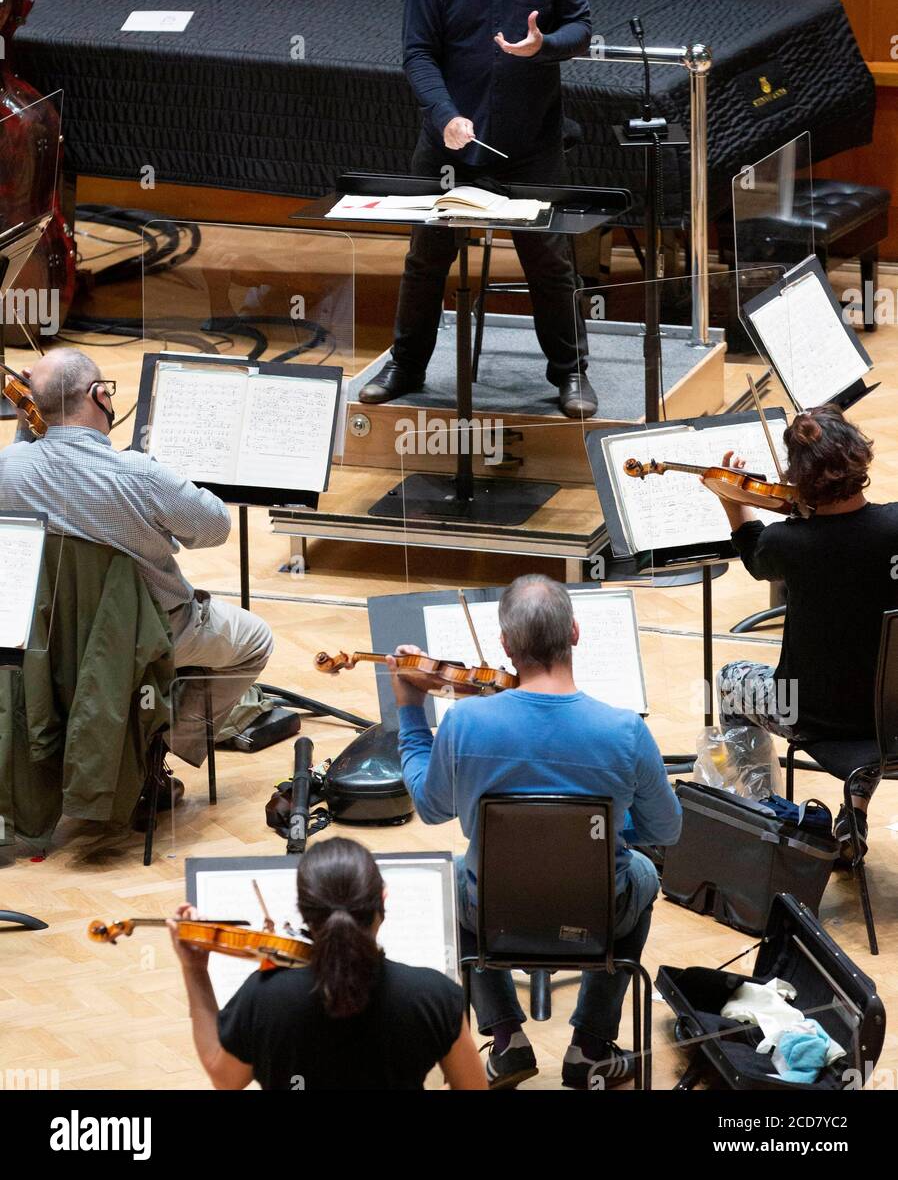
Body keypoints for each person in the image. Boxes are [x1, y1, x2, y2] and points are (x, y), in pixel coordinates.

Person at [392, 574, 682, 1090]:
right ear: (574, 632)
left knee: (453, 878)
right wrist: (607, 826)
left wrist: (411, 712)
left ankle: (506, 1040)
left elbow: (431, 808)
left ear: (505, 645)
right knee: (639, 870)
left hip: (493, 913)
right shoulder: (624, 730)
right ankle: (591, 1046)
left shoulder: (463, 723)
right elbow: (666, 828)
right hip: (599, 916)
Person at [359, 0, 597, 419]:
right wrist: (445, 116)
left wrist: (547, 46)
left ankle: (570, 375)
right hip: (451, 143)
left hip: (532, 140)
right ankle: (406, 365)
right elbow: (417, 54)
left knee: (549, 259)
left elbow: (582, 28)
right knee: (426, 258)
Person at [0, 348, 273, 783]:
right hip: (147, 636)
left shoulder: (8, 469)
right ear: (98, 395)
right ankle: (157, 750)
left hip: (52, 639)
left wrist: (27, 418)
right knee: (257, 639)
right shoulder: (139, 474)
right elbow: (214, 529)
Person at [708, 405, 898, 866]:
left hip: (811, 715)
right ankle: (853, 810)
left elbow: (754, 555)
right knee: (872, 687)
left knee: (732, 681)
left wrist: (735, 504)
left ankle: (763, 811)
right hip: (893, 719)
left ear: (799, 476)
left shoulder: (786, 543)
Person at [169, 836, 487, 1091]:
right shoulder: (433, 996)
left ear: (305, 912)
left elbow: (224, 1078)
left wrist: (195, 971)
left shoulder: (264, 998)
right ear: (383, 901)